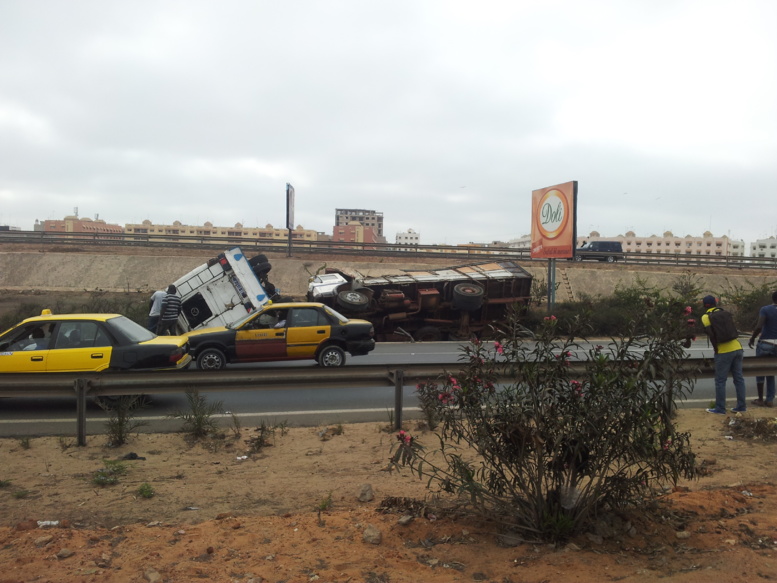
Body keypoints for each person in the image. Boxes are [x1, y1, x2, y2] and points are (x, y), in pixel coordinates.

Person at [702, 295, 746, 414]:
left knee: (720, 381)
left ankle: (720, 408)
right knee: (739, 379)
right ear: (715, 303)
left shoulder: (706, 317)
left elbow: (711, 335)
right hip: (738, 348)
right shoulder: (724, 313)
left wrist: (716, 349)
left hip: (724, 351)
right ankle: (741, 406)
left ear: (704, 305)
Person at [747, 290, 777, 407]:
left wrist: (752, 338)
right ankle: (769, 399)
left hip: (765, 343)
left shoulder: (765, 309)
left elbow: (759, 326)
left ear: (772, 298)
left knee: (759, 370)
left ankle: (760, 399)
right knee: (771, 372)